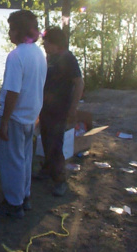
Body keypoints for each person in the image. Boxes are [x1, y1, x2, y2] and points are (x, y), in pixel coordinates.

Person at [0, 10, 47, 219]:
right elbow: (37, 85)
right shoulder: (38, 53)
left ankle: (14, 204)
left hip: (16, 116)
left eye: (11, 28)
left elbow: (13, 91)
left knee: (12, 160)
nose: (9, 33)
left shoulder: (16, 56)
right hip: (30, 114)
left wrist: (4, 121)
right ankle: (25, 196)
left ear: (19, 30)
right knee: (24, 158)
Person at [35, 27, 84, 196]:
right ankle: (47, 169)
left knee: (56, 143)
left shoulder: (68, 58)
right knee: (46, 138)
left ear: (56, 43)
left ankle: (60, 179)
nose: (44, 45)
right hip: (46, 107)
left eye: (47, 42)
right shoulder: (50, 57)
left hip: (60, 108)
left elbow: (78, 83)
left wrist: (73, 107)